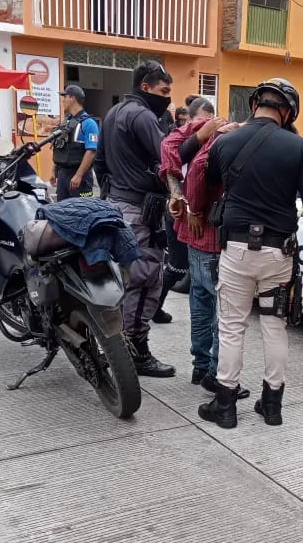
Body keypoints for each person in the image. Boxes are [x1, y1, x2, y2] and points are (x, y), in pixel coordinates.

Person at [197, 78, 303, 430]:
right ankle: (272, 405)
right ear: (287, 112)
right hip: (278, 254)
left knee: (232, 326)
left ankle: (225, 405)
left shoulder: (226, 141)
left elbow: (209, 180)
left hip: (236, 250)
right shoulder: (298, 146)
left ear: (255, 104)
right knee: (274, 325)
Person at [160, 99, 248, 397]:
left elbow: (170, 150)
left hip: (195, 233)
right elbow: (196, 170)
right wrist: (194, 208)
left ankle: (201, 365)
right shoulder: (220, 136)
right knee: (224, 307)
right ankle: (216, 373)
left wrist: (182, 201)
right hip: (210, 233)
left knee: (200, 299)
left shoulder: (193, 134)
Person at [94, 60, 176, 377]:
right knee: (144, 282)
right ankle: (136, 351)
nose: (168, 96)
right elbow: (168, 159)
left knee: (124, 282)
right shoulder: (141, 115)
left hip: (118, 207)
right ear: (146, 87)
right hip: (141, 212)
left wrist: (110, 197)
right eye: (163, 90)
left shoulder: (114, 113)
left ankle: (119, 346)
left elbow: (100, 163)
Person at [153, 95, 222, 325]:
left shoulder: (216, 142)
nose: (207, 126)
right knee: (177, 266)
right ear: (189, 121)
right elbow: (174, 164)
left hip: (203, 217)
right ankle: (155, 305)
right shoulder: (177, 142)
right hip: (179, 211)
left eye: (210, 121)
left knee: (195, 273)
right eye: (201, 121)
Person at [52, 85, 99, 201]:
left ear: (73, 98)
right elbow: (60, 147)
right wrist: (53, 171)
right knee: (61, 211)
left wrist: (78, 175)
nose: (63, 100)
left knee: (81, 212)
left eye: (65, 96)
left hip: (79, 178)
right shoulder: (66, 122)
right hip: (63, 175)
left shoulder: (89, 123)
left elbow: (91, 151)